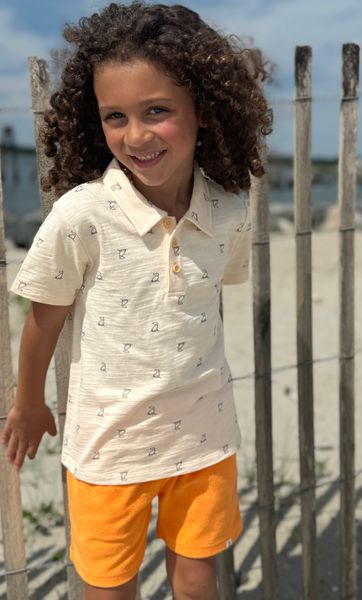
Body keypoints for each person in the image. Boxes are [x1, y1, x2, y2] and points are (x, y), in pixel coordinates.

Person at [1, 2, 272, 599]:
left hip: (204, 436)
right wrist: (27, 403)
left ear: (205, 109)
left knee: (199, 577)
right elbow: (43, 319)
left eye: (157, 111)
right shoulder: (82, 216)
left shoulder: (228, 207)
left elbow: (206, 297)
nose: (136, 135)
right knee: (108, 586)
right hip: (108, 446)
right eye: (114, 116)